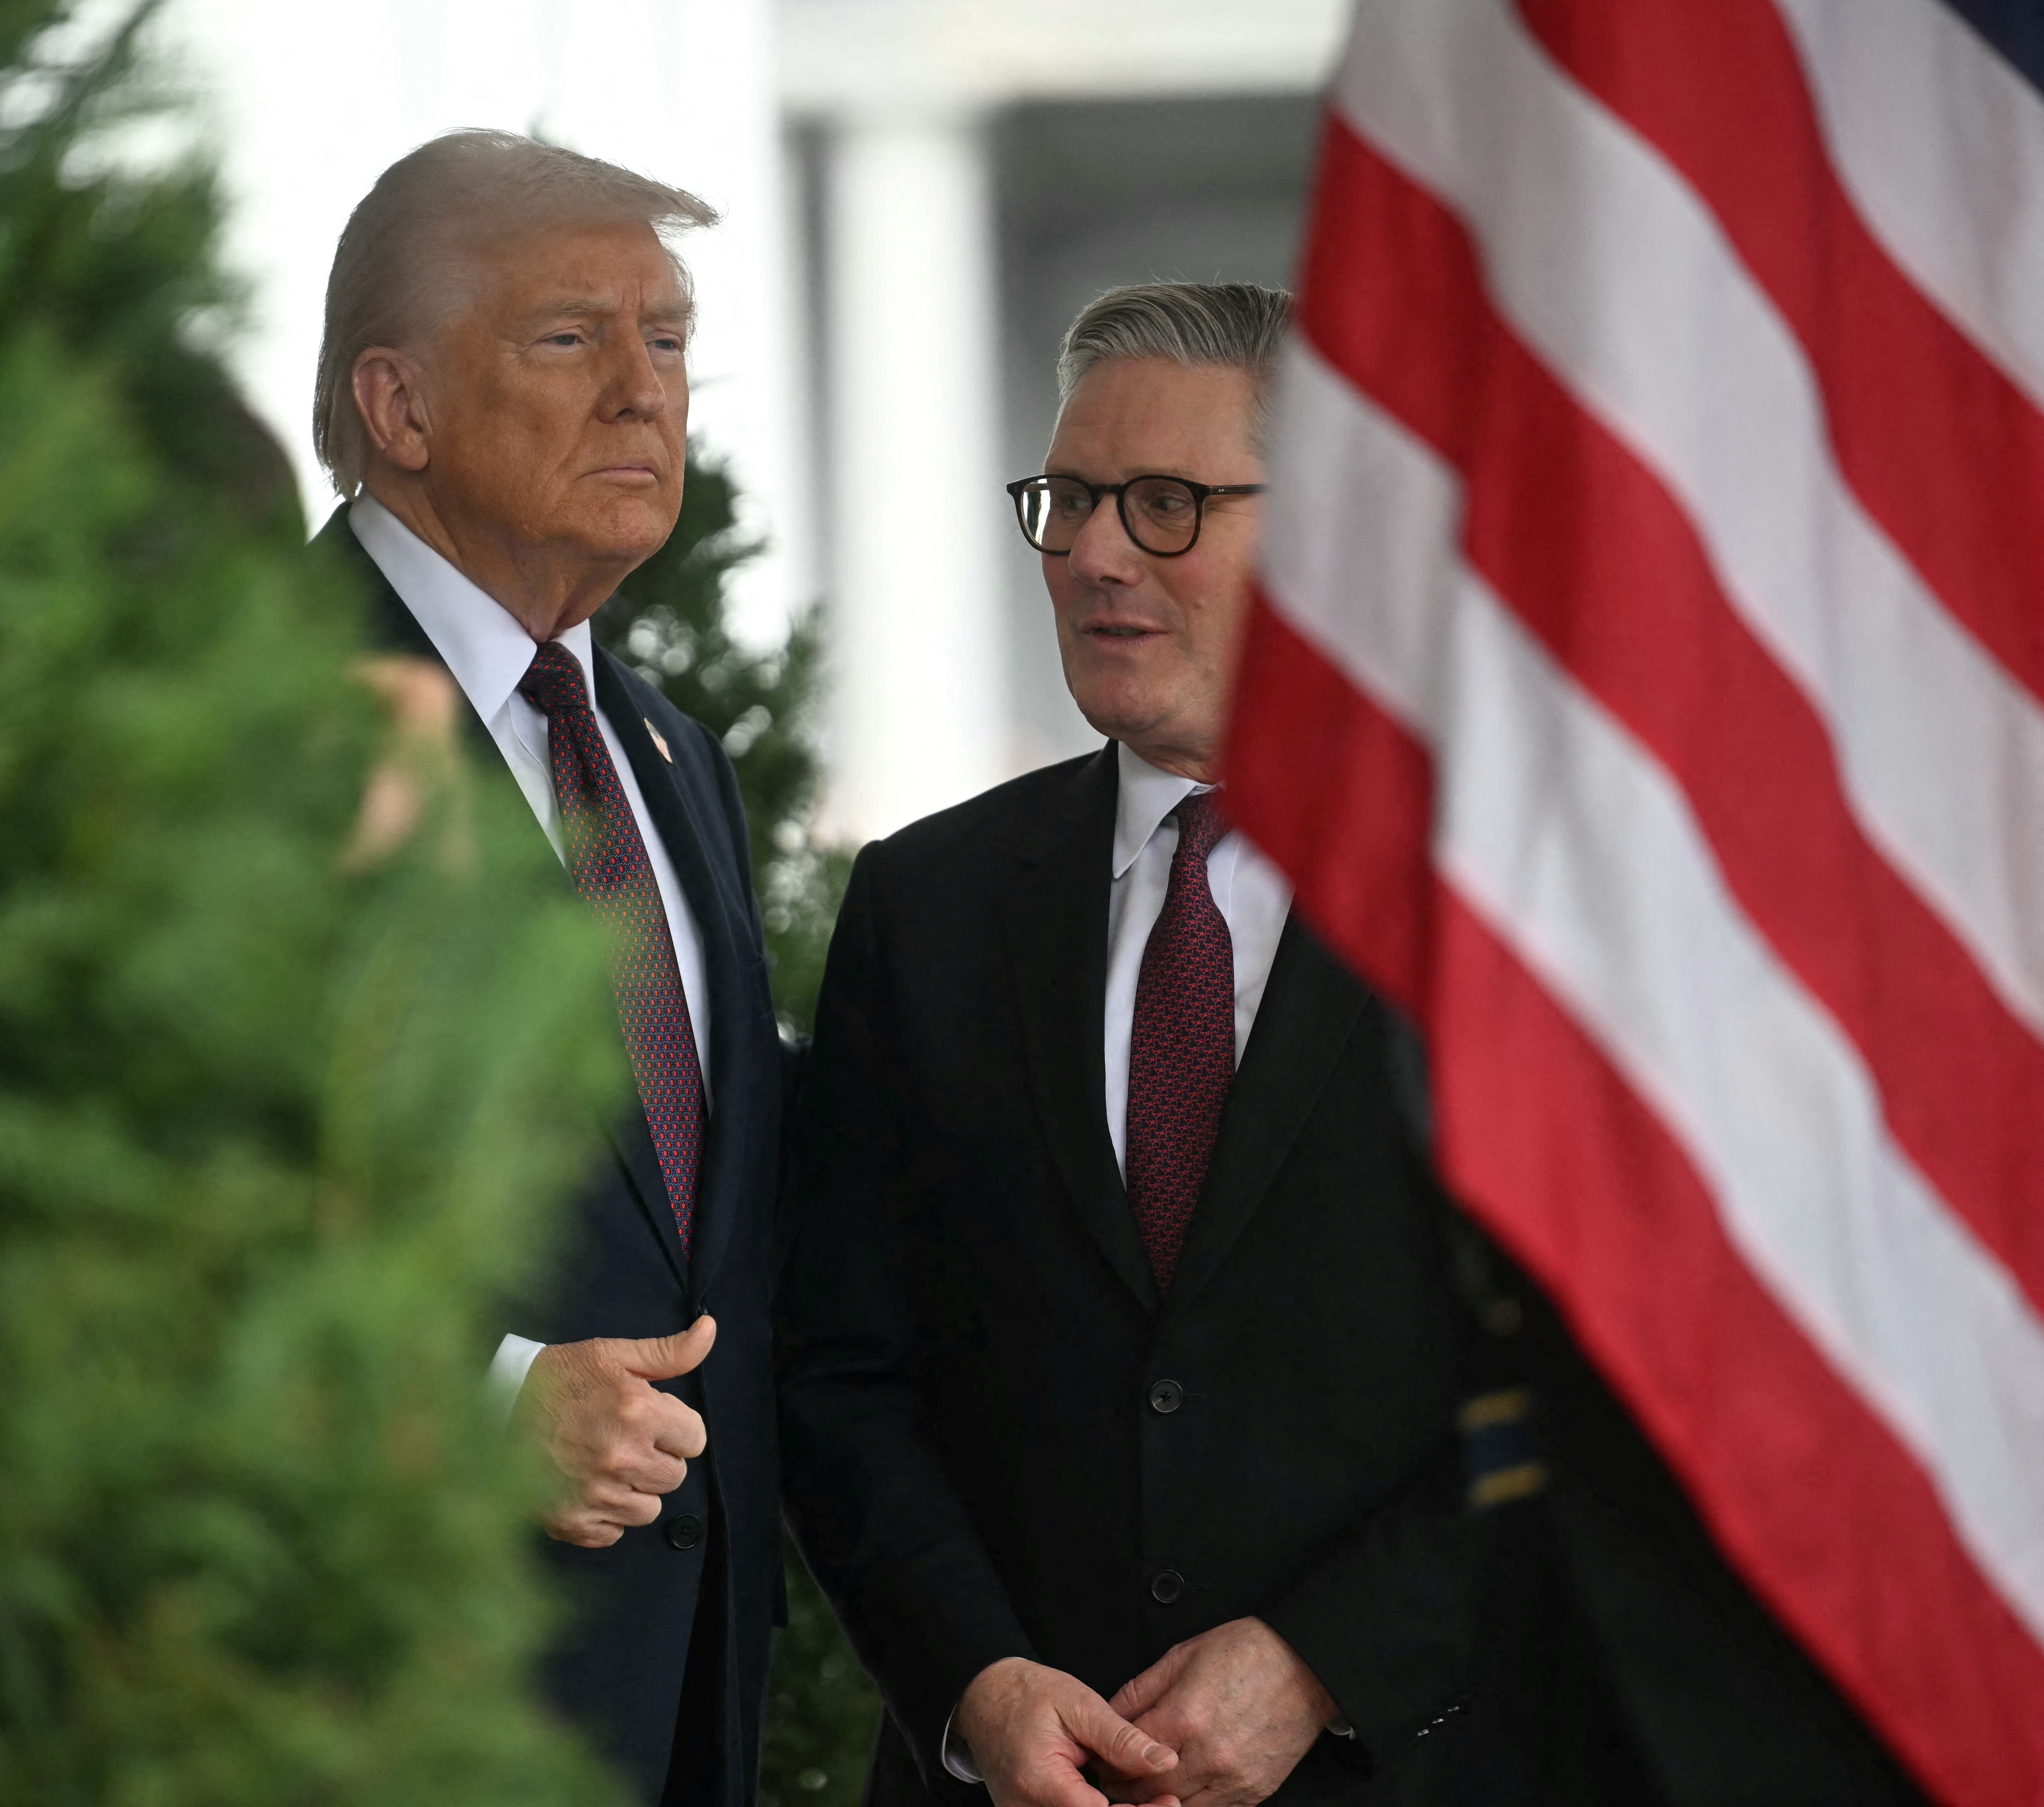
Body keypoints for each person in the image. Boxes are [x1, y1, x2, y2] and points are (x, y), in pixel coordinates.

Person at [777, 283, 1493, 1806]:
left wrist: (1327, 1657)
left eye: (1167, 504)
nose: (1095, 553)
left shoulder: (1509, 907)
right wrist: (972, 1680)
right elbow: (843, 1373)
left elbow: (1604, 1388)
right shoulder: (928, 905)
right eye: (1070, 500)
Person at [307, 131, 783, 1807]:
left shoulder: (668, 755)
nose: (645, 393)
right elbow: (127, 1220)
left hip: (679, 1706)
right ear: (400, 405)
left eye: (669, 339)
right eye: (573, 338)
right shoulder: (236, 722)